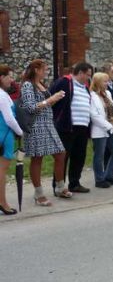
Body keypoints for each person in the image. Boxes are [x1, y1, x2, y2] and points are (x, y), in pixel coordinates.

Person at [20, 59, 68, 205]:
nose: (46, 72)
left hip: (48, 124)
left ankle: (60, 187)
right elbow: (30, 107)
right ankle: (38, 193)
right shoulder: (28, 85)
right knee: (37, 158)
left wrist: (55, 99)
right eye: (44, 69)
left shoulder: (41, 85)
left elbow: (45, 105)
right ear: (36, 70)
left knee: (61, 153)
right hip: (35, 126)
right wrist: (50, 99)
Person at [50, 61, 93, 193]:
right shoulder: (64, 82)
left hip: (82, 127)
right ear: (80, 73)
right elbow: (51, 98)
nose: (89, 77)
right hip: (67, 127)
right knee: (63, 157)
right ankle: (58, 185)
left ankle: (74, 183)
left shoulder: (85, 87)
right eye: (88, 74)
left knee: (79, 156)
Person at [89, 72, 113, 188]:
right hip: (100, 130)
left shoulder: (108, 93)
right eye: (105, 81)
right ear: (98, 82)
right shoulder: (92, 96)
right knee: (99, 155)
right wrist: (108, 126)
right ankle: (99, 179)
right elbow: (94, 115)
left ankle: (109, 175)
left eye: (108, 81)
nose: (107, 83)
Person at [0, 65, 23, 215]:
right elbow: (9, 119)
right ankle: (2, 202)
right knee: (1, 170)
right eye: (9, 76)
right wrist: (21, 132)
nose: (12, 80)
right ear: (1, 78)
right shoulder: (1, 95)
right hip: (4, 135)